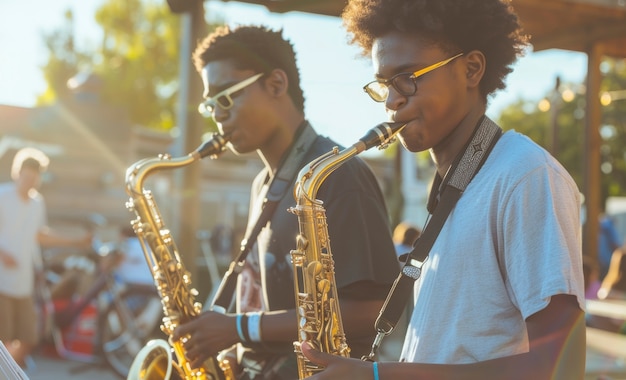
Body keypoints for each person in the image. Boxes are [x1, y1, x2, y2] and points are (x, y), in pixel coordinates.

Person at [300, 1, 586, 379]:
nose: (391, 101)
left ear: (471, 69)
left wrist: (378, 376)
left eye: (407, 78)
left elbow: (562, 367)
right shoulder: (455, 185)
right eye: (384, 84)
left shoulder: (525, 176)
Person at [172, 25, 400, 379]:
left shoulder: (339, 174)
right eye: (210, 103)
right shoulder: (262, 183)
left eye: (225, 96)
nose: (217, 114)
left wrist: (240, 329)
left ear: (276, 84)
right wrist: (236, 349)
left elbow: (375, 309)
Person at [0, 147, 92, 369]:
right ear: (17, 173)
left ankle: (8, 368)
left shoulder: (36, 203)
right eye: (27, 176)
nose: (30, 181)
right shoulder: (3, 195)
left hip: (23, 284)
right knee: (3, 338)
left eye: (35, 177)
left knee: (30, 336)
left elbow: (39, 235)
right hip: (1, 282)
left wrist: (74, 242)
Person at [598, 211, 623, 280]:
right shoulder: (609, 225)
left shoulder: (601, 224)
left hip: (599, 259)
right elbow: (615, 244)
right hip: (608, 260)